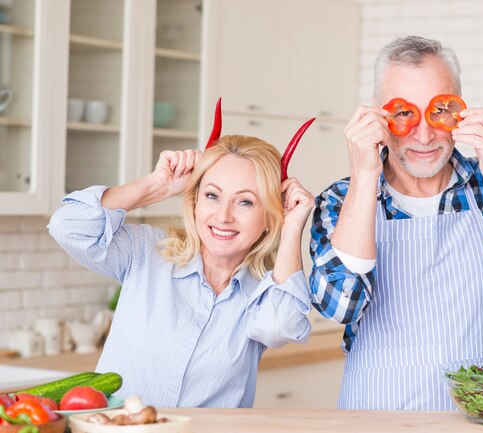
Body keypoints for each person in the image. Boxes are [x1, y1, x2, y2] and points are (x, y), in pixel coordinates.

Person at [309, 35, 483, 410]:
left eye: (439, 110)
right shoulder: (340, 201)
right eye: (403, 113)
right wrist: (364, 175)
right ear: (379, 117)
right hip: (376, 416)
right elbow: (338, 306)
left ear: (461, 114)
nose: (424, 134)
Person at [49, 134, 315, 408]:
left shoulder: (262, 294)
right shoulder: (147, 251)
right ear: (195, 202)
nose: (223, 216)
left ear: (269, 217)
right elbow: (67, 226)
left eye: (245, 202)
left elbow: (280, 327)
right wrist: (157, 186)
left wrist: (292, 225)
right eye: (212, 195)